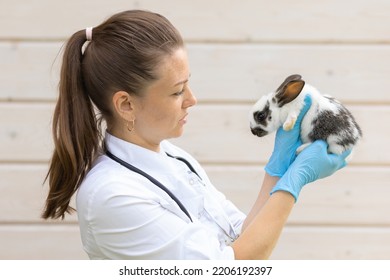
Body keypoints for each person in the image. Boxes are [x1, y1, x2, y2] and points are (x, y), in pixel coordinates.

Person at [42, 10, 350, 259]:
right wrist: (294, 181)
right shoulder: (111, 196)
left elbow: (241, 238)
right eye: (177, 91)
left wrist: (277, 170)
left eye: (188, 83)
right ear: (125, 104)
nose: (192, 99)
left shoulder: (175, 157)